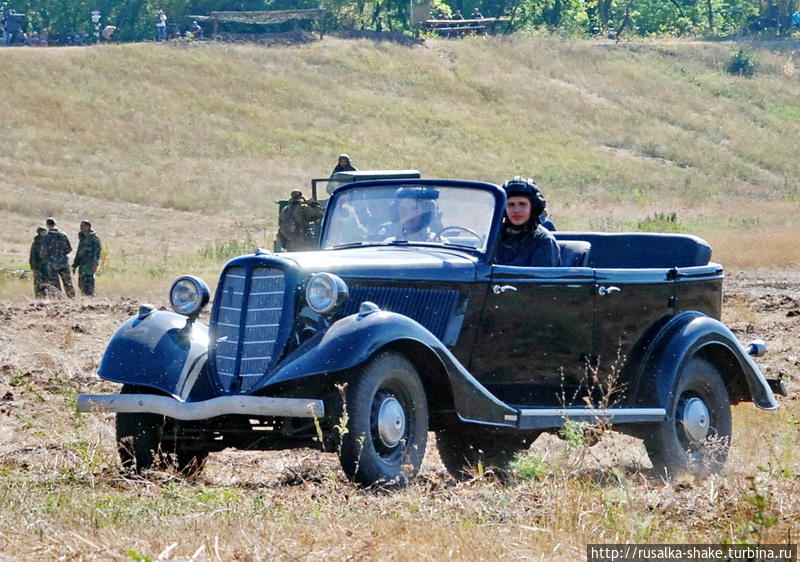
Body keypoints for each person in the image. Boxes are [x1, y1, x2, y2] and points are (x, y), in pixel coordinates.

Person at [495, 176, 561, 267]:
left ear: (533, 207)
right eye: (511, 204)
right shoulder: (494, 237)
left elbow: (540, 279)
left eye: (522, 204)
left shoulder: (544, 241)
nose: (516, 210)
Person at [42, 218, 75, 297]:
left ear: (47, 225)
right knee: (68, 282)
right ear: (55, 224)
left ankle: (58, 299)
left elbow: (43, 252)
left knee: (54, 283)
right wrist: (62, 255)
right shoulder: (63, 235)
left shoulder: (46, 237)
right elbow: (69, 249)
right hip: (64, 262)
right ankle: (72, 298)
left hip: (52, 264)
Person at [72, 220, 102, 296]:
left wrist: (95, 263)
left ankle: (91, 296)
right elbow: (79, 251)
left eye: (83, 226)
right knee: (81, 283)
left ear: (88, 227)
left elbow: (97, 252)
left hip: (90, 263)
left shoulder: (94, 238)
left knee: (89, 281)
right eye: (81, 226)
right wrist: (75, 264)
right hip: (82, 263)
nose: (81, 227)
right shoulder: (82, 238)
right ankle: (84, 296)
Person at [29, 226, 49, 298]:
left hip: (47, 266)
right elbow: (32, 256)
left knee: (47, 283)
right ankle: (39, 297)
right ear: (39, 233)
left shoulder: (48, 241)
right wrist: (33, 267)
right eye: (43, 232)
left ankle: (47, 297)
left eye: (45, 232)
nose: (44, 233)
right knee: (38, 283)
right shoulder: (36, 243)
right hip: (38, 266)